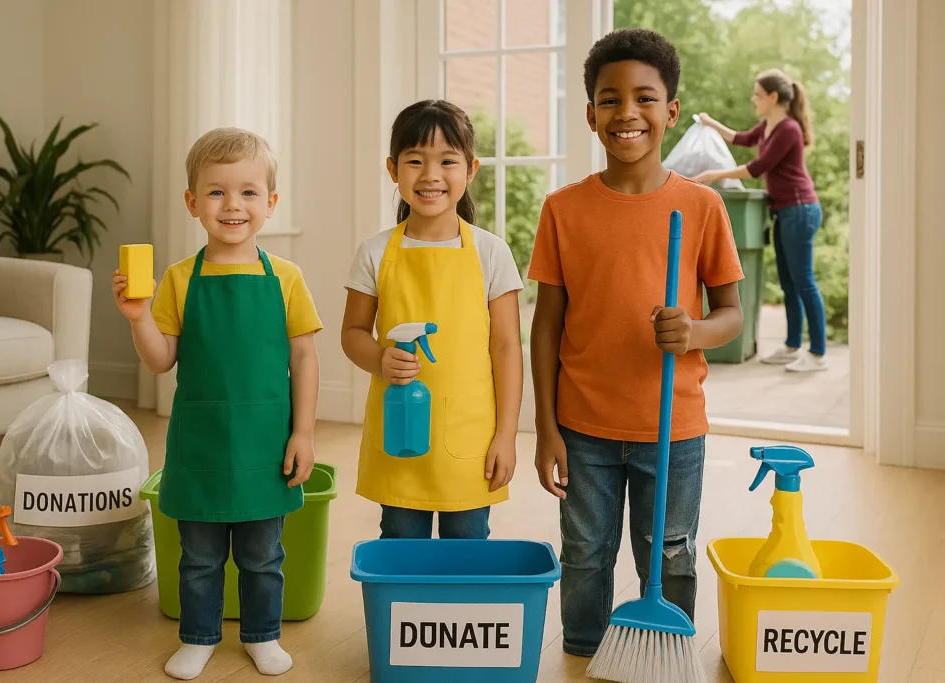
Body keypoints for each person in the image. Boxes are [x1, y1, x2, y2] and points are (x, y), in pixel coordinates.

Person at [527, 28, 745, 657]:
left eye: (645, 98)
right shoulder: (563, 210)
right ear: (591, 113)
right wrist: (545, 428)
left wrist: (694, 331)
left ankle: (663, 651)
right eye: (610, 99)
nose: (628, 113)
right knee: (585, 552)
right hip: (584, 427)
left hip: (673, 428)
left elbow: (730, 314)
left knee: (670, 553)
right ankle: (585, 650)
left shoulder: (702, 207)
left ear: (671, 111)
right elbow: (546, 324)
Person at [112, 128, 322, 680]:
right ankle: (199, 636)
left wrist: (303, 434)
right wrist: (138, 317)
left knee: (263, 556)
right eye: (216, 193)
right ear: (192, 203)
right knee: (199, 556)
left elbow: (304, 360)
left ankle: (262, 635)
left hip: (266, 443)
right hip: (201, 446)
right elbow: (160, 360)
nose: (233, 206)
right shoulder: (181, 279)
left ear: (270, 204)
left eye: (249, 193)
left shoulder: (288, 279)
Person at [341, 99, 524, 540]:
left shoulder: (490, 251)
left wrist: (506, 436)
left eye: (447, 161)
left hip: (471, 438)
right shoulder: (374, 251)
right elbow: (352, 334)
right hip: (400, 429)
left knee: (467, 549)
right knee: (402, 544)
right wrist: (379, 358)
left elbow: (506, 347)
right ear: (393, 169)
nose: (430, 175)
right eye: (415, 161)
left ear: (470, 170)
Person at [693, 69, 827, 372]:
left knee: (803, 281)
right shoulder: (768, 125)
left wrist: (715, 175)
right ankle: (793, 345)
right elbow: (741, 138)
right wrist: (710, 123)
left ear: (773, 97)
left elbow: (758, 167)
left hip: (800, 209)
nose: (754, 100)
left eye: (757, 94)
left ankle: (817, 353)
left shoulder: (788, 129)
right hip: (784, 210)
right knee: (789, 283)